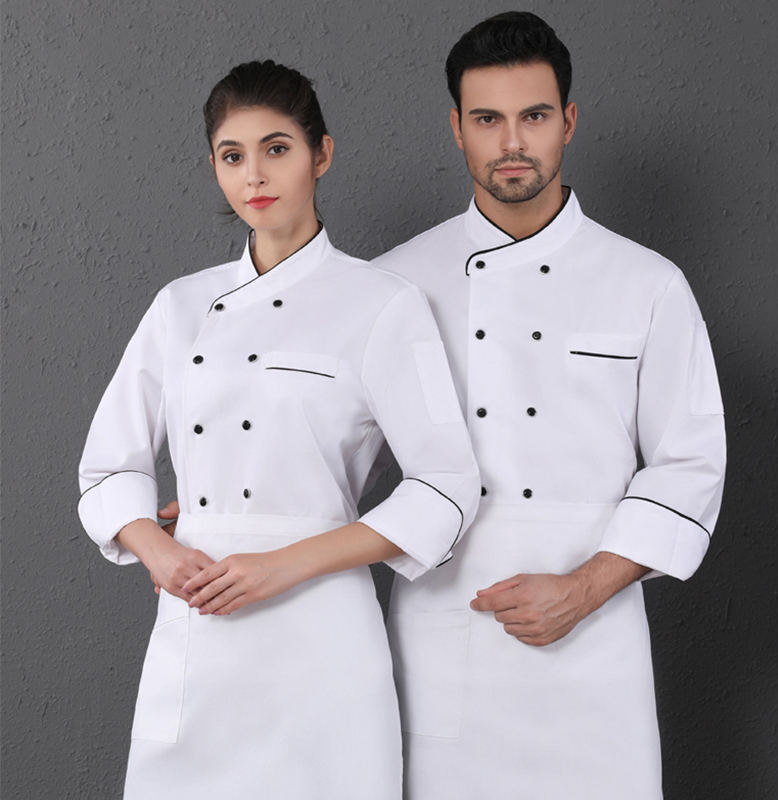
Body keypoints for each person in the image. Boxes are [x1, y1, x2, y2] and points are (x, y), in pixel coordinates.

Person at [77, 60, 480, 800]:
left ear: (320, 155)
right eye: (232, 156)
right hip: (198, 623)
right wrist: (160, 552)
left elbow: (447, 487)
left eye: (277, 149)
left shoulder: (382, 304)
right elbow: (107, 468)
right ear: (214, 167)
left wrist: (283, 565)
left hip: (320, 633)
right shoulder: (180, 306)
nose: (255, 175)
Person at [372, 12, 726, 800]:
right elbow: (328, 447)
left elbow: (690, 463)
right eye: (487, 120)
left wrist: (585, 589)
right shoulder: (394, 285)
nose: (512, 144)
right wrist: (224, 510)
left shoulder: (647, 284)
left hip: (594, 649)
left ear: (567, 121)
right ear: (456, 128)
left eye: (533, 116)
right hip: (446, 637)